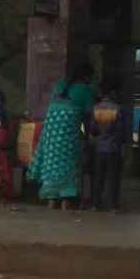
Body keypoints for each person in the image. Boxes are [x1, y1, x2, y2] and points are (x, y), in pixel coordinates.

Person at [27, 67, 90, 210]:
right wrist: (86, 138)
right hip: (68, 134)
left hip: (50, 132)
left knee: (52, 163)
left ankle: (51, 206)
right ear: (87, 77)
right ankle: (64, 206)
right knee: (68, 165)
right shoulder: (85, 90)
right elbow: (87, 118)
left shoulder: (59, 85)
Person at [87, 89, 126, 212]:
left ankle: (95, 205)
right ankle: (113, 206)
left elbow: (93, 129)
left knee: (98, 177)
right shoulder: (117, 109)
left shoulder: (96, 108)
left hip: (100, 148)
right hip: (113, 148)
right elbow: (120, 132)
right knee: (113, 178)